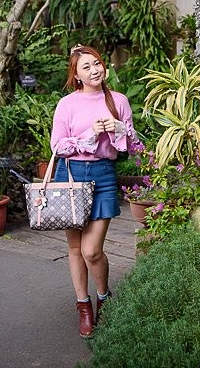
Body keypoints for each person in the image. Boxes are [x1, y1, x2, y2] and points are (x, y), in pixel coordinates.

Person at [50, 44, 137, 339]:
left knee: (92, 250)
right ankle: (83, 306)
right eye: (86, 67)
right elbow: (58, 145)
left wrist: (117, 129)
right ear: (76, 75)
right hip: (71, 175)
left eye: (97, 63)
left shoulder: (118, 101)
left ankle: (103, 296)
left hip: (102, 175)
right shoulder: (67, 104)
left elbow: (132, 144)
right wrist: (89, 135)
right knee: (75, 249)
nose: (94, 70)